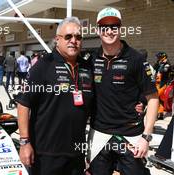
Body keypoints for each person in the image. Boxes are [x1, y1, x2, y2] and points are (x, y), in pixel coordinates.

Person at [16, 17, 93, 175]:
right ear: (57, 40)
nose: (74, 41)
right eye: (68, 36)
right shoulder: (43, 66)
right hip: (46, 154)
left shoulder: (87, 67)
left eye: (78, 37)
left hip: (76, 153)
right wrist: (24, 143)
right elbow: (24, 105)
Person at [88, 7, 159, 175]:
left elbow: (154, 98)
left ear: (120, 29)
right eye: (105, 27)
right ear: (98, 30)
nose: (109, 31)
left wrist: (146, 137)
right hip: (99, 135)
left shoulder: (136, 59)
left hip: (130, 136)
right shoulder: (91, 59)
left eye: (114, 26)